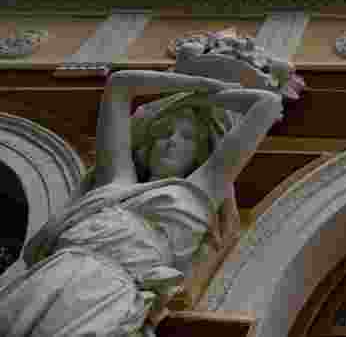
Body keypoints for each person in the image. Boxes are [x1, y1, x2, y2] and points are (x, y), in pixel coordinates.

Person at [0, 31, 303, 336]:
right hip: (49, 275)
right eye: (163, 133)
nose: (171, 141)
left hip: (107, 295)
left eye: (187, 137)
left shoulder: (201, 189)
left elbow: (265, 105)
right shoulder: (116, 179)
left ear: (202, 151)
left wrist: (211, 92)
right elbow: (120, 85)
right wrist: (197, 84)